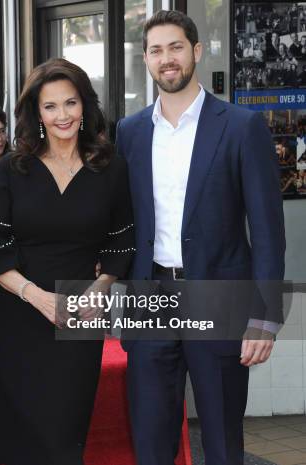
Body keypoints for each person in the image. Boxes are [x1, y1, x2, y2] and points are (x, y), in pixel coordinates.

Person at [116, 10, 285, 465]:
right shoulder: (129, 132)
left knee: (223, 441)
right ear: (146, 60)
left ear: (195, 51)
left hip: (220, 298)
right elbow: (123, 222)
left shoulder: (241, 127)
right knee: (150, 440)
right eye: (156, 50)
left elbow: (268, 231)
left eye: (175, 47)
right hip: (151, 299)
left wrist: (264, 318)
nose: (166, 59)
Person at [0, 58, 134, 465]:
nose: (62, 115)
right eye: (50, 106)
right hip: (18, 317)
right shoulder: (14, 167)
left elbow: (121, 239)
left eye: (71, 103)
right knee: (20, 437)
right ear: (36, 113)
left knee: (66, 434)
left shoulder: (110, 167)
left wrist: (101, 289)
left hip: (79, 314)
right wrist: (37, 297)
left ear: (85, 107)